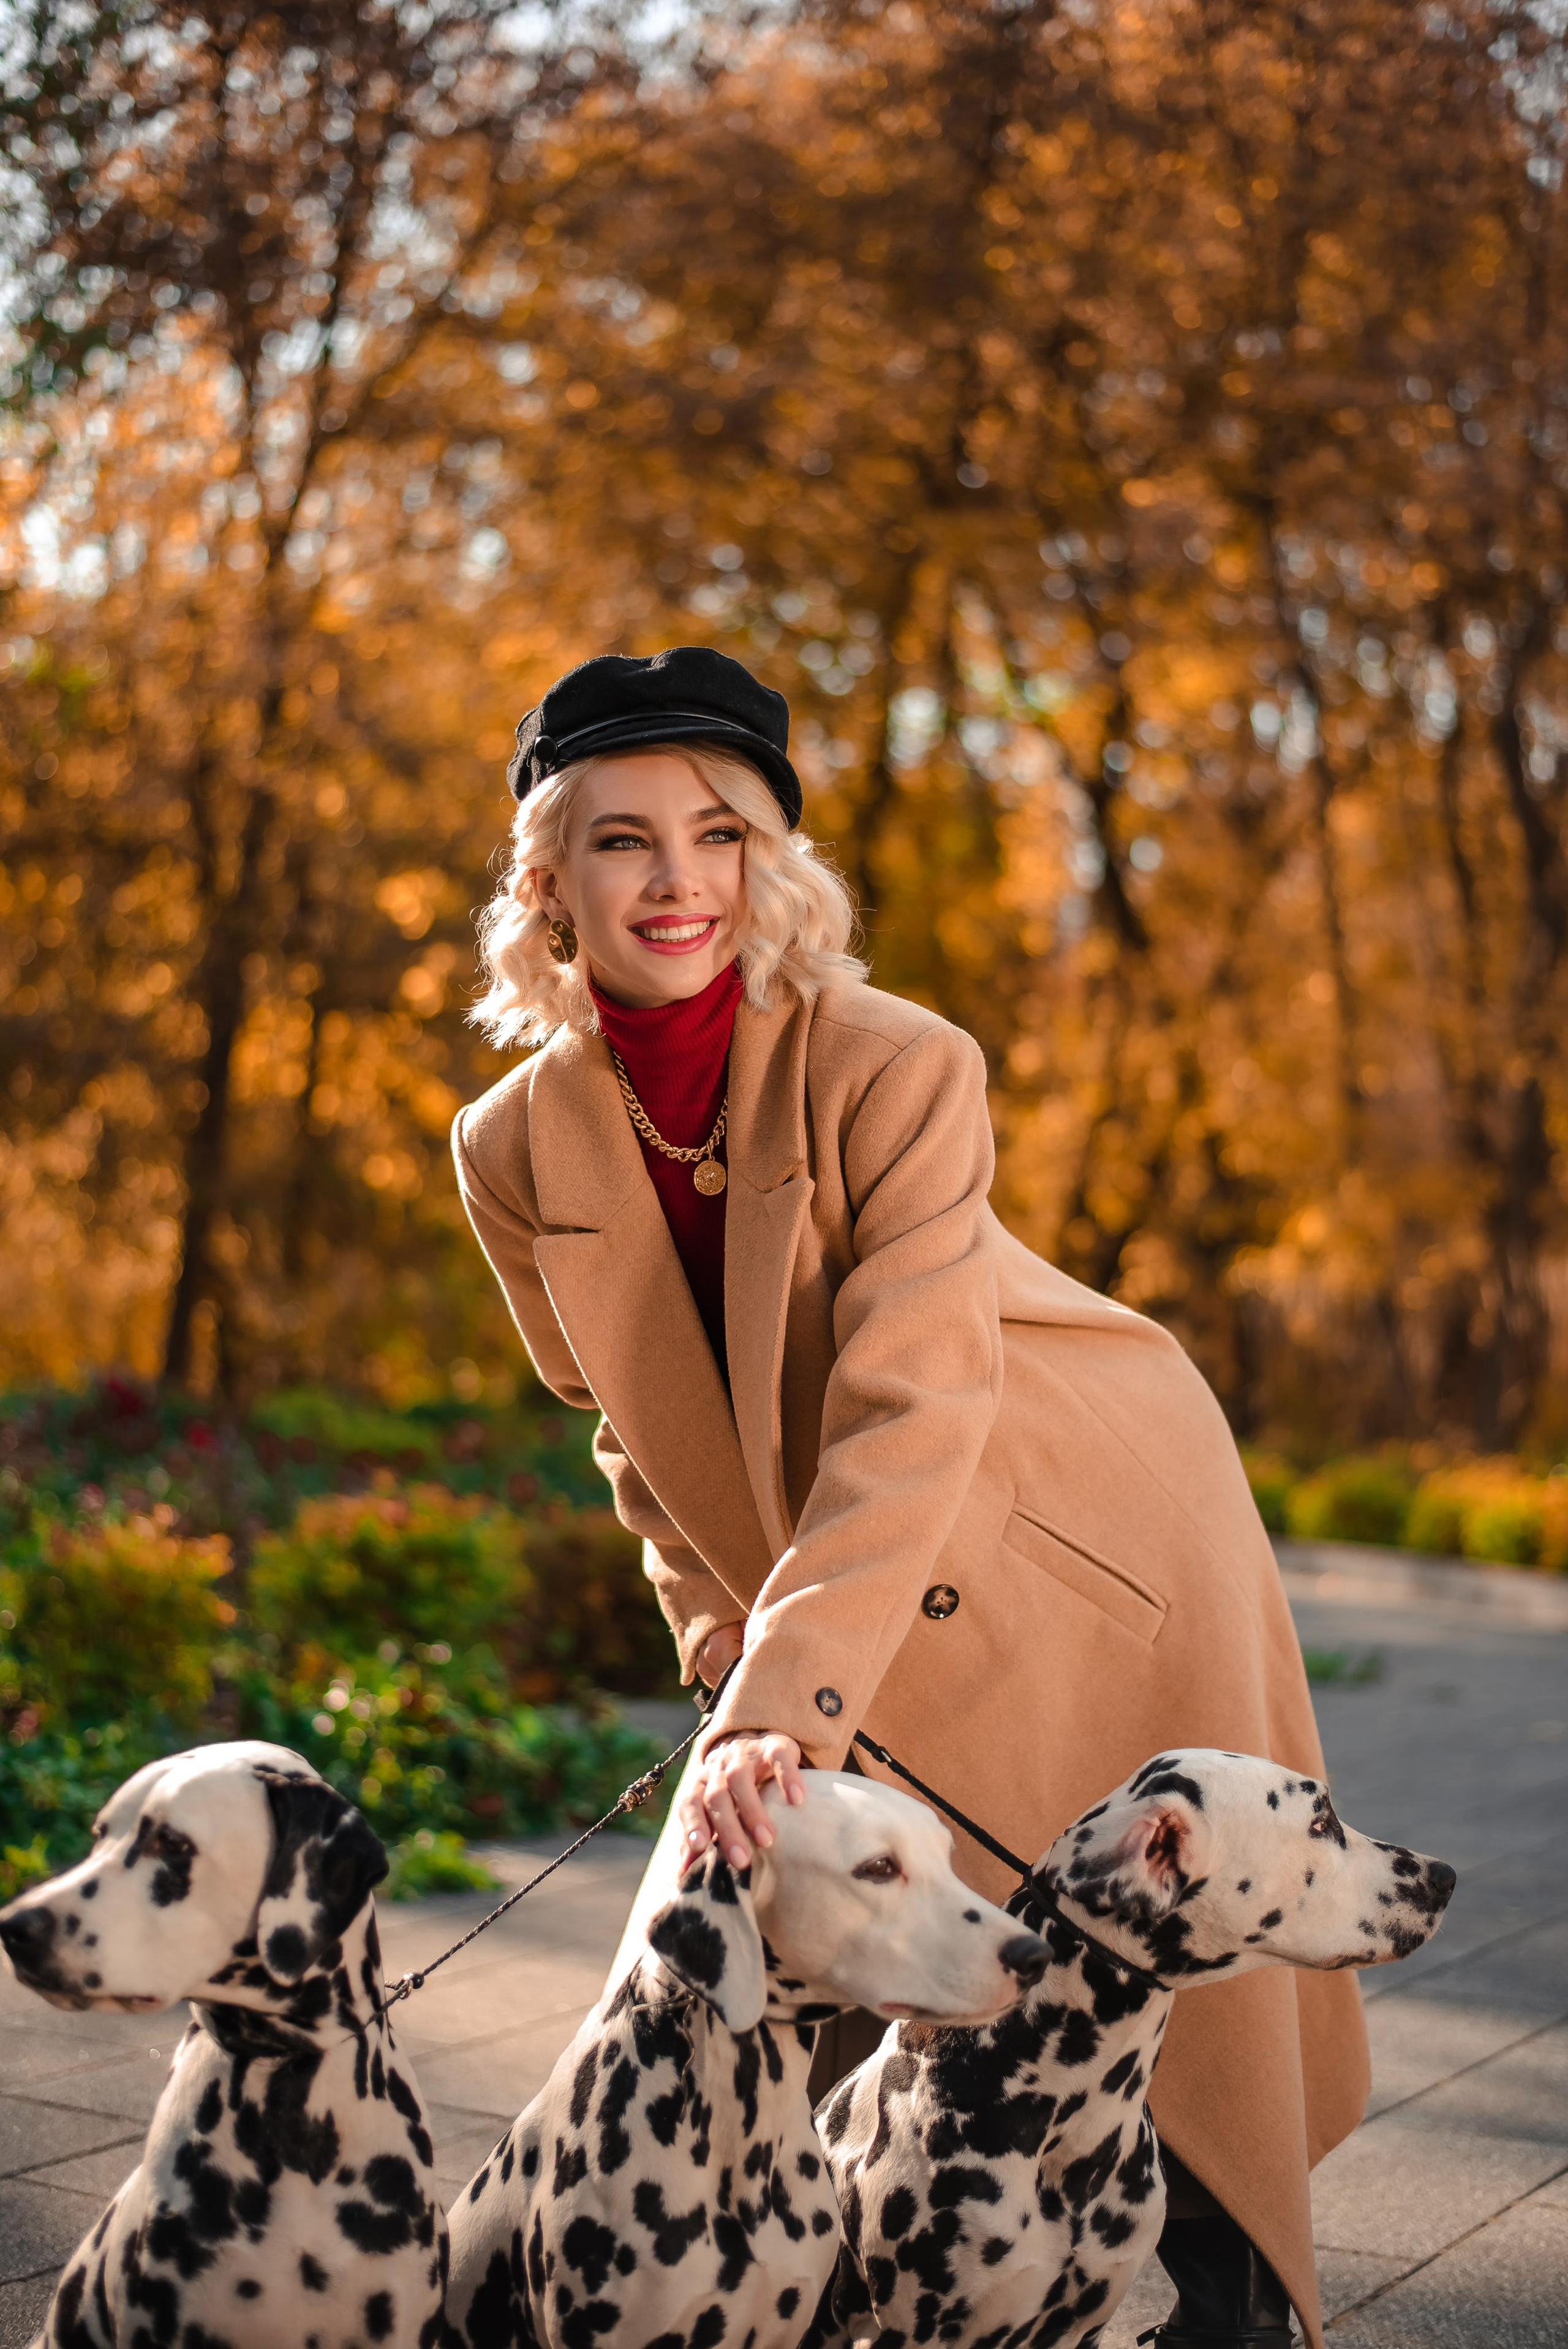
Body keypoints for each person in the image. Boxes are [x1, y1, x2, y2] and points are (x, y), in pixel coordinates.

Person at [451, 645, 1369, 2349]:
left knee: (1136, 1989)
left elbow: (915, 1396)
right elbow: (620, 1425)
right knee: (718, 2002)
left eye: (719, 834)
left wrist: (774, 1697)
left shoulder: (898, 1063)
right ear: (548, 876)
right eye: (624, 838)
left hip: (1075, 1524)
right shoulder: (507, 1144)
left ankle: (1219, 2311)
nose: (676, 880)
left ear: (767, 863)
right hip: (837, 1577)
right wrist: (717, 1630)